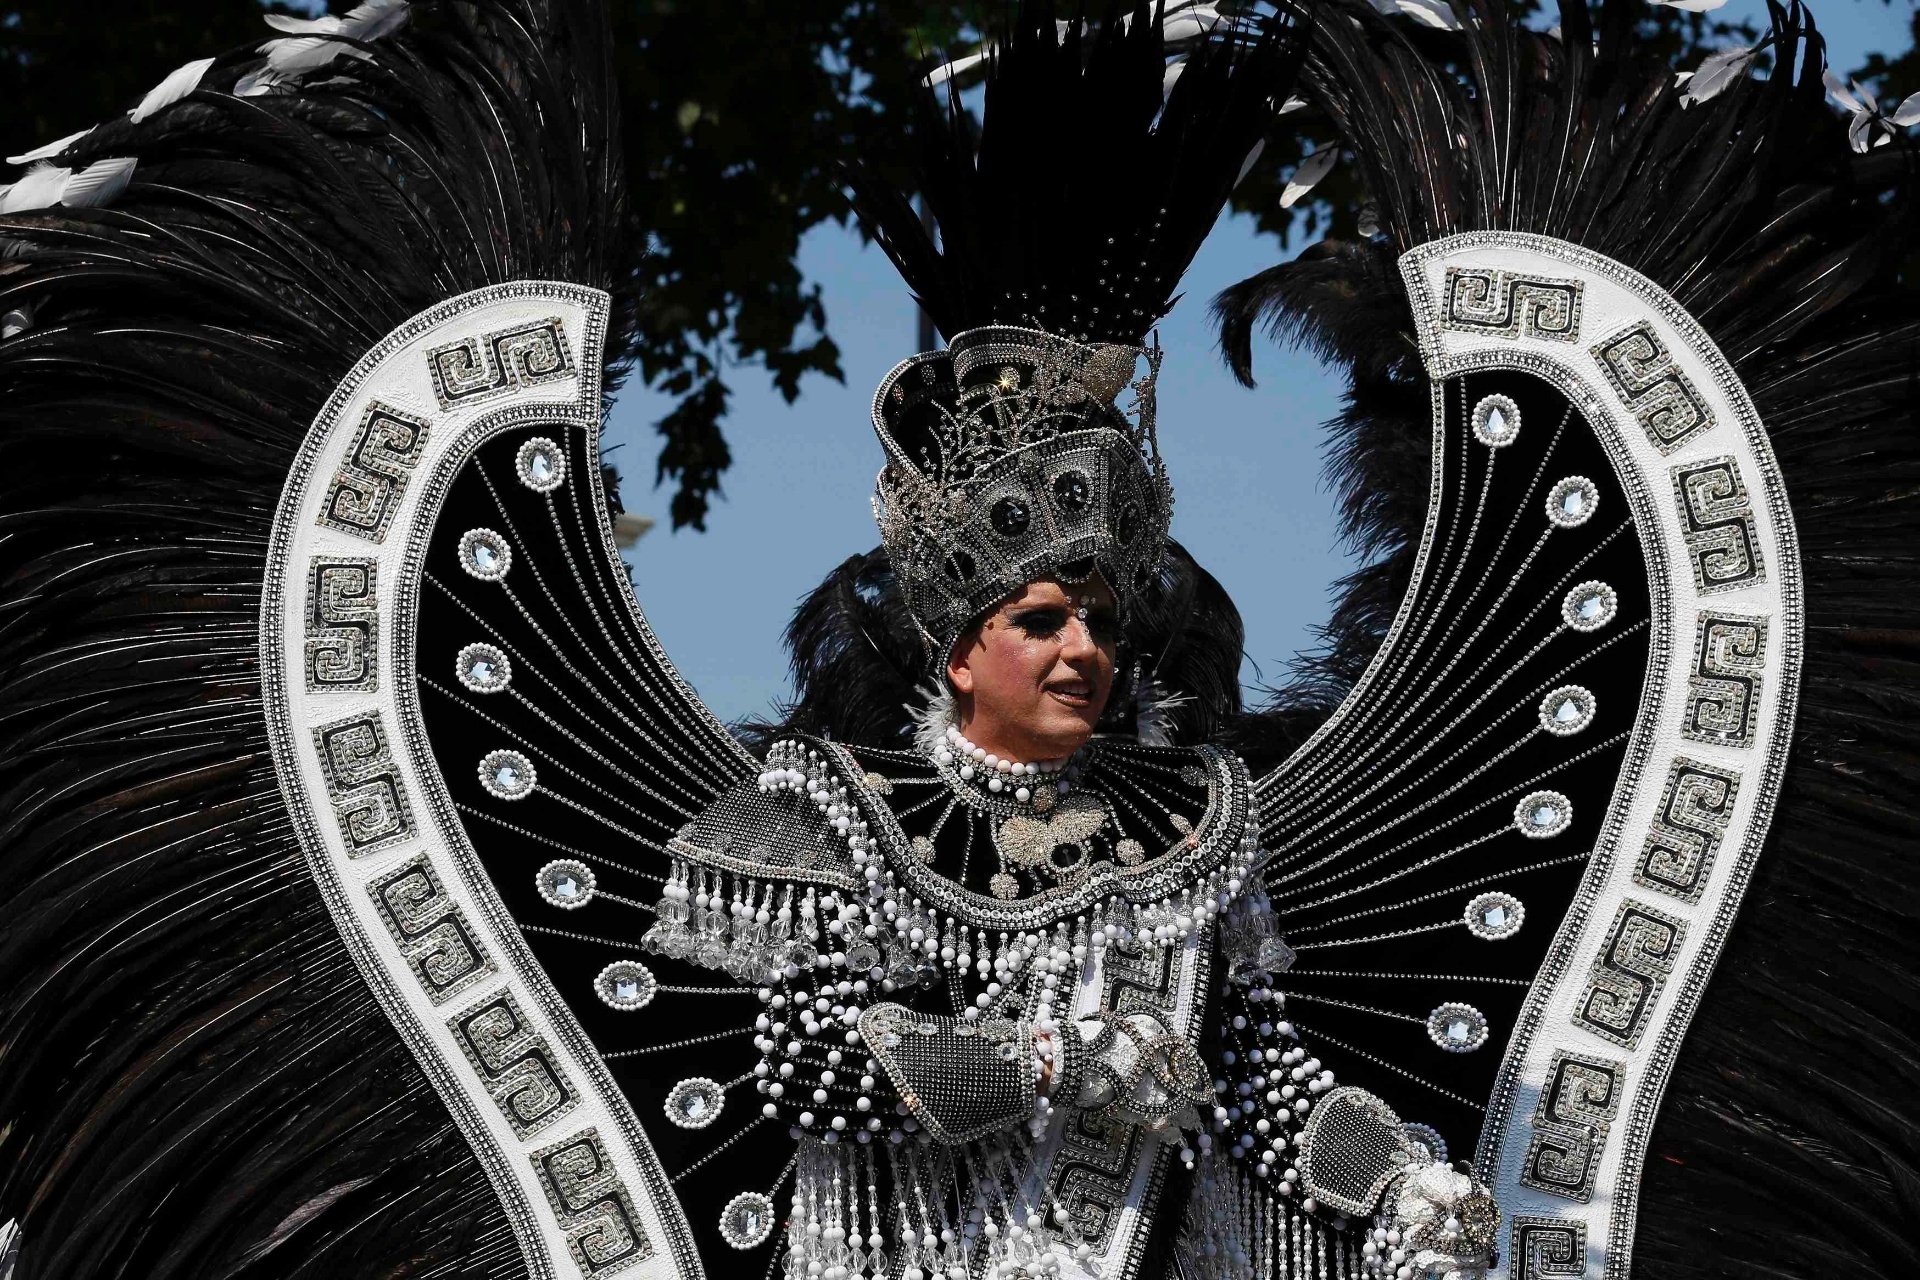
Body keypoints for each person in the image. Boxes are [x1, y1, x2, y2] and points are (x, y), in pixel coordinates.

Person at [0, 0, 1914, 1278]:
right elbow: (805, 1066)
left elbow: (1245, 1073)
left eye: (1106, 616)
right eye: (1045, 615)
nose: (1086, 647)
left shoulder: (1198, 840)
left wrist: (1392, 1178)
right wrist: (1053, 1066)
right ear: (954, 638)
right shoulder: (805, 816)